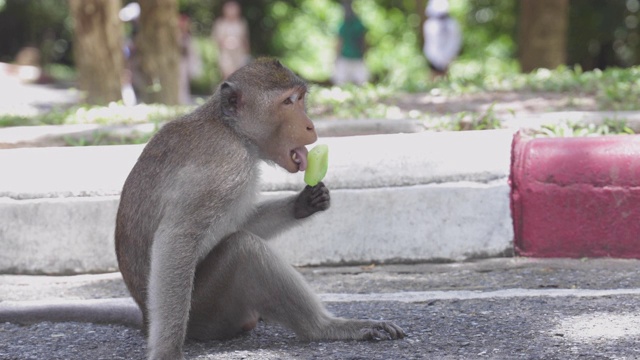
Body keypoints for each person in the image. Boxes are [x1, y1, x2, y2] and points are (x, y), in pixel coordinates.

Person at [422, 0, 462, 79]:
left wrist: (450, 55)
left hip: (449, 56)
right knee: (434, 75)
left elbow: (455, 41)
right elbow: (430, 43)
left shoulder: (452, 24)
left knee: (446, 76)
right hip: (433, 57)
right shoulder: (430, 25)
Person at [332, 0, 368, 86]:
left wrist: (335, 57)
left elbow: (339, 43)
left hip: (355, 57)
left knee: (359, 82)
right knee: (343, 82)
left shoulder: (356, 24)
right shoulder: (345, 25)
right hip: (347, 57)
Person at [212, 1, 250, 79]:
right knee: (228, 76)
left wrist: (246, 52)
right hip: (226, 55)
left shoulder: (241, 22)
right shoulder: (220, 23)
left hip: (239, 54)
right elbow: (217, 39)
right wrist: (228, 43)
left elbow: (245, 39)